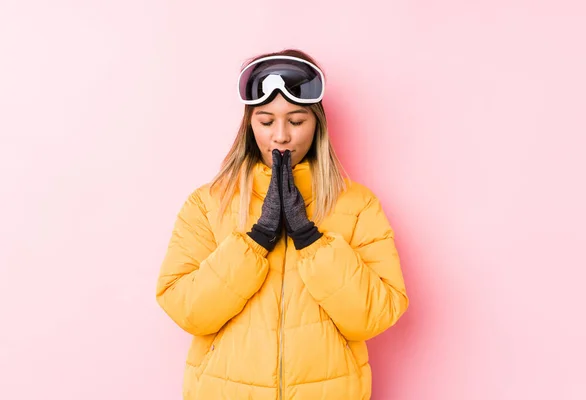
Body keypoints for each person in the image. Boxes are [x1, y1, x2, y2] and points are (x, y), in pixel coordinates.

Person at [156, 49, 409, 400]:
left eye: (296, 120)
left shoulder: (358, 205)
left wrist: (310, 239)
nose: (281, 136)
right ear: (249, 125)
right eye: (266, 121)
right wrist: (257, 240)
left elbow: (375, 317)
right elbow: (187, 311)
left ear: (317, 122)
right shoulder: (208, 202)